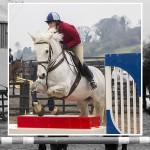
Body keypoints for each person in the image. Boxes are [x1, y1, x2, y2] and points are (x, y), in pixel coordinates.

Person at [45, 12, 97, 90]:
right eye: (48, 23)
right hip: (63, 46)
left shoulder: (67, 27)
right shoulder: (51, 31)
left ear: (57, 22)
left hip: (76, 45)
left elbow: (77, 39)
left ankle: (91, 80)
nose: (49, 25)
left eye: (50, 23)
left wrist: (67, 46)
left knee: (80, 61)